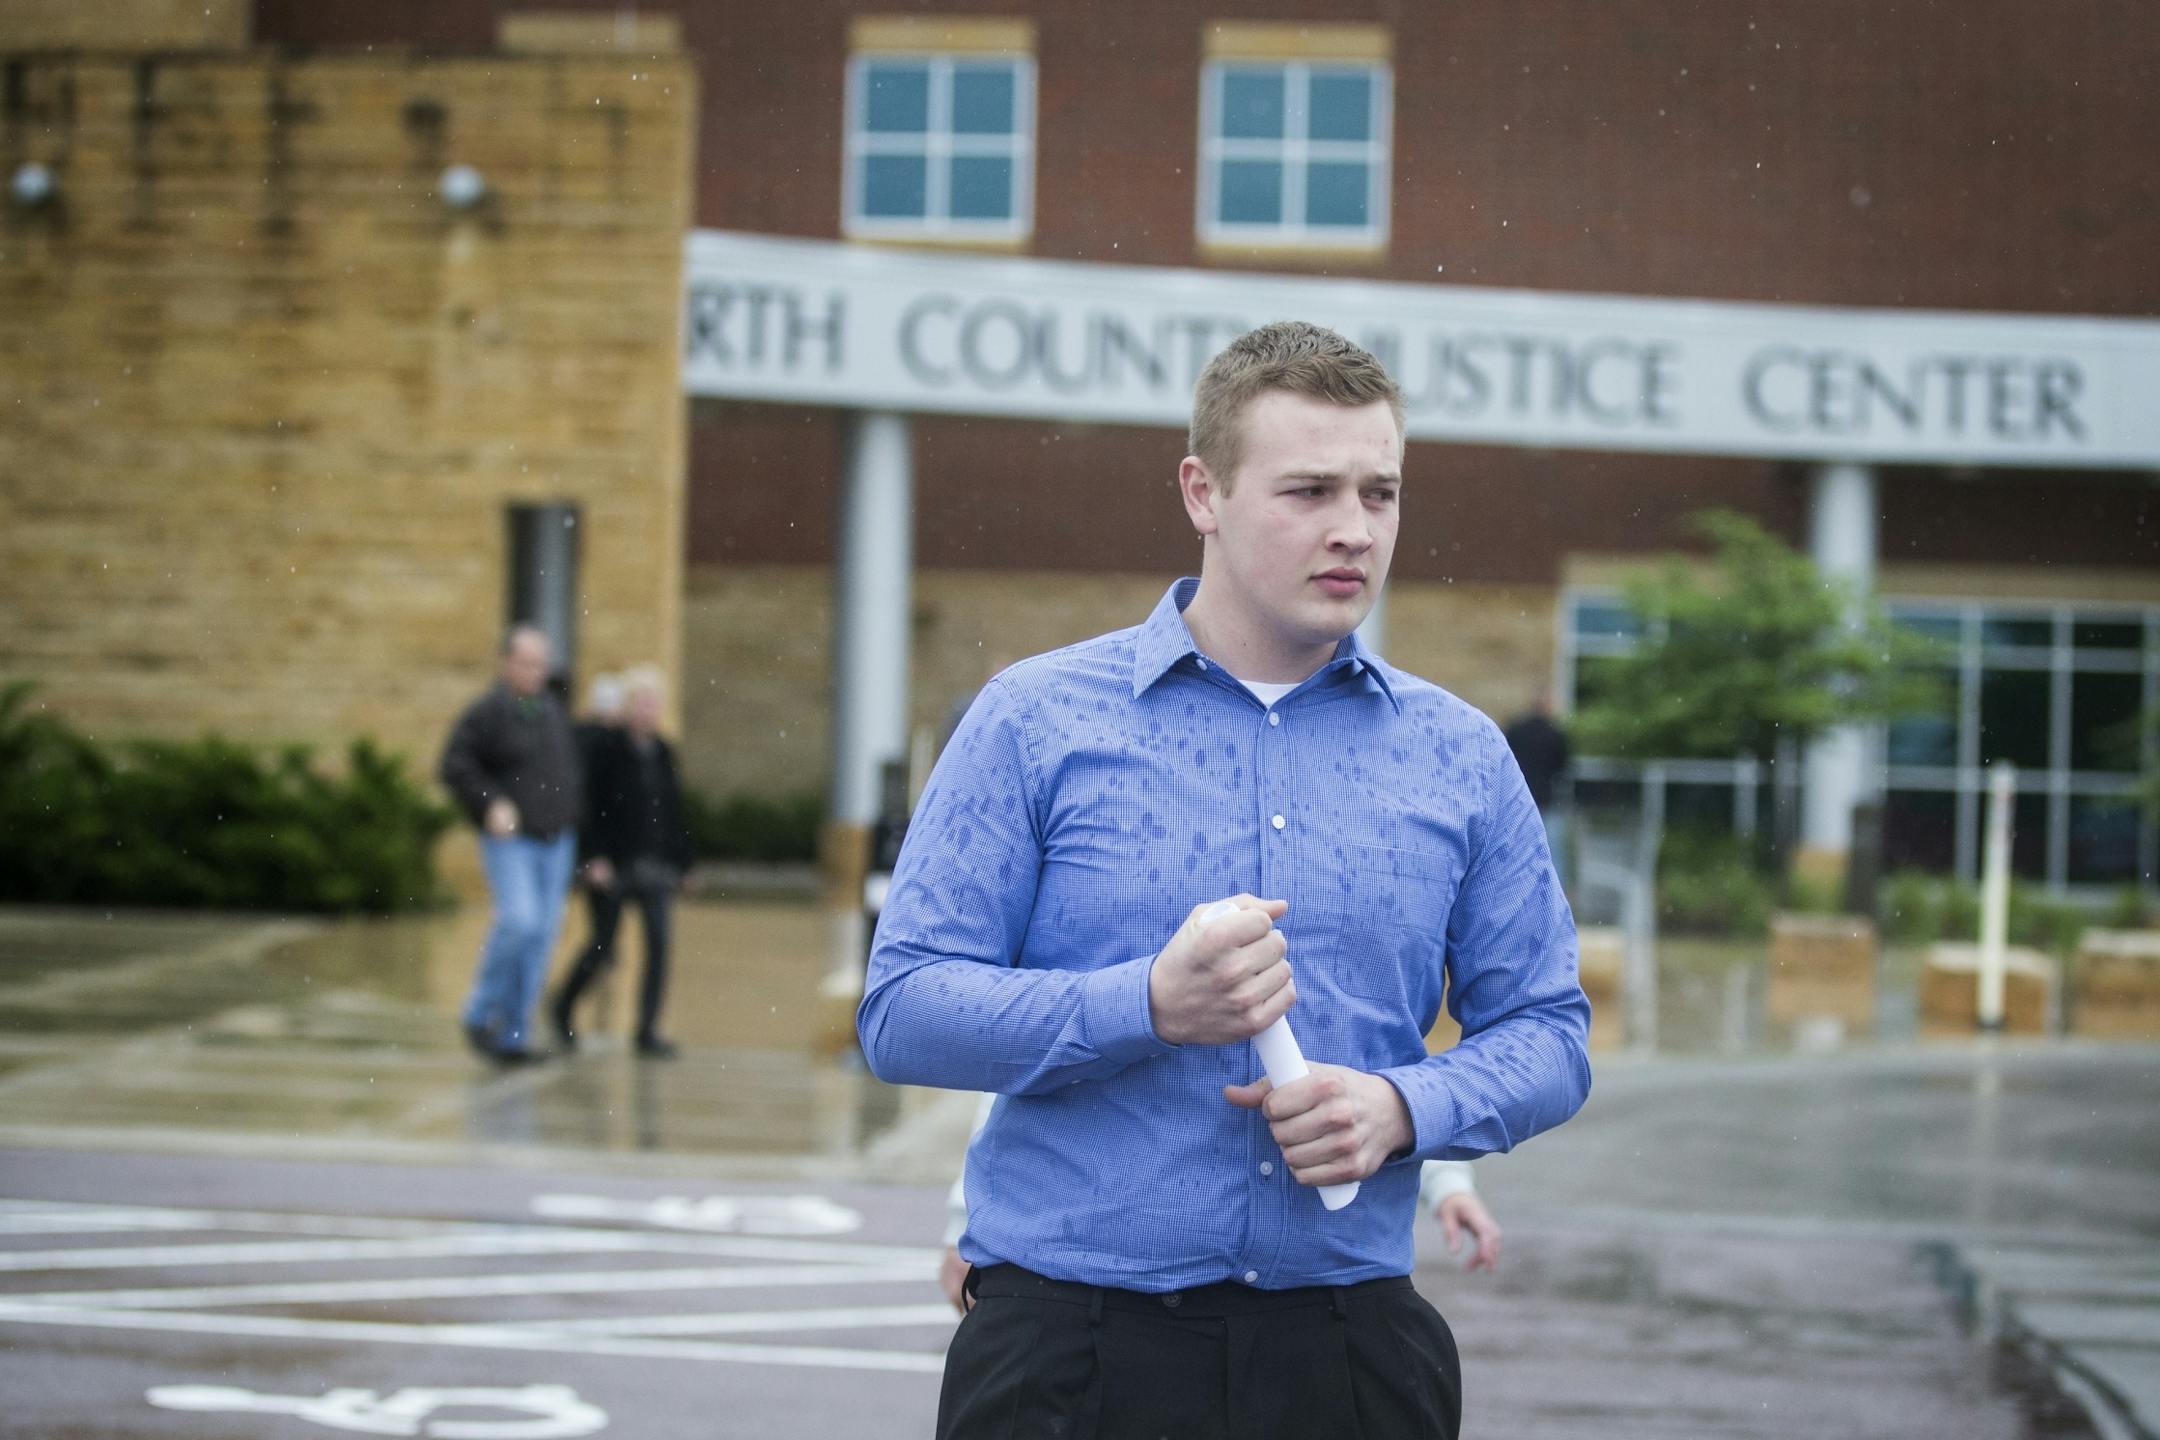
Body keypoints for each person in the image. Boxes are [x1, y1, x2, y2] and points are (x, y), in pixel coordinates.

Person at [859, 321, 1591, 1440]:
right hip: (1069, 1354)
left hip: (1348, 1356)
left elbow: (1549, 1032)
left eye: (1381, 494)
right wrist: (1146, 1004)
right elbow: (903, 1011)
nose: (1355, 530)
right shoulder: (1034, 720)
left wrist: (1404, 1108)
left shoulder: (1460, 757)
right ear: (1203, 492)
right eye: (1309, 491)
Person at [936, 1101, 1502, 1312]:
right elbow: (1012, 1097)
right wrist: (964, 1225)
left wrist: (1450, 1184)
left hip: (1312, 1304)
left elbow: (1370, 1086)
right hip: (1098, 1296)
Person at [438, 624, 582, 1065]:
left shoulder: (552, 711)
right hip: (512, 841)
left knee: (541, 938)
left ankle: (513, 1035)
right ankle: (481, 1012)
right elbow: (455, 764)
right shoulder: (488, 712)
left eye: (541, 663)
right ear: (506, 663)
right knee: (519, 921)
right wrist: (490, 802)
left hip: (556, 841)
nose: (536, 671)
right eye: (527, 663)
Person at [550, 666, 693, 1059]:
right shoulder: (606, 749)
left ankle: (647, 1029)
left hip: (655, 865)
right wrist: (593, 858)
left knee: (659, 946)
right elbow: (589, 808)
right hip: (613, 865)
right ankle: (563, 1005)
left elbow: (674, 812)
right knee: (603, 945)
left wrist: (684, 862)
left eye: (653, 703)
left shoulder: (663, 752)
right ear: (628, 706)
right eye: (640, 702)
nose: (647, 710)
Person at [1503, 688, 1573, 890]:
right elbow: (1562, 767)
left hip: (1519, 799)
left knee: (1517, 850)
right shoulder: (1555, 734)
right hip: (1546, 799)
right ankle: (1552, 892)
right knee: (1552, 853)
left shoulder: (1516, 730)